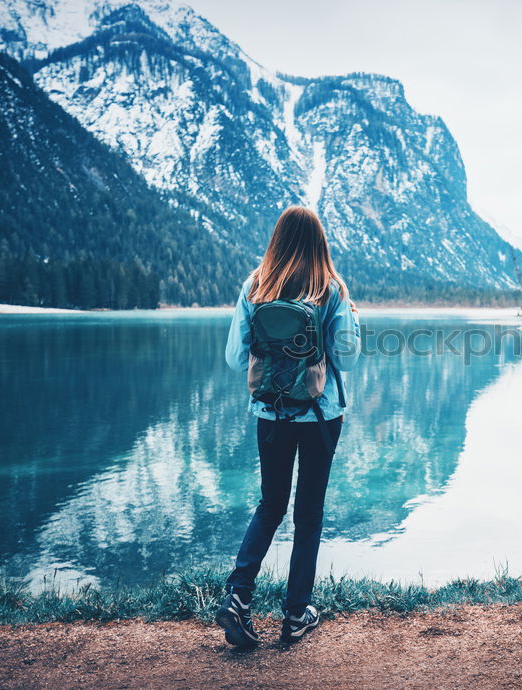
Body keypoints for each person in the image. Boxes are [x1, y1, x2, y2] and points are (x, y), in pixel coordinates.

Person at [216, 206, 360, 648]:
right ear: (320, 242)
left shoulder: (255, 286)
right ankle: (296, 613)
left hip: (269, 414)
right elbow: (348, 358)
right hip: (319, 416)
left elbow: (235, 359)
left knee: (271, 504)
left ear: (277, 239)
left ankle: (238, 596)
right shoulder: (330, 289)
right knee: (308, 512)